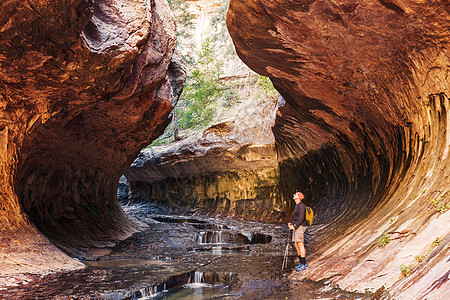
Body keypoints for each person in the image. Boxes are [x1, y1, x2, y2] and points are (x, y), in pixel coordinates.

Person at [288, 192, 308, 271]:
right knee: (296, 244)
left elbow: (301, 218)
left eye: (295, 194)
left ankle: (304, 264)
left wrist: (295, 226)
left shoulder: (301, 205)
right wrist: (292, 224)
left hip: (300, 227)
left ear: (299, 197)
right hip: (296, 227)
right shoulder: (297, 205)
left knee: (300, 244)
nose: (294, 195)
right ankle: (301, 262)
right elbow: (296, 218)